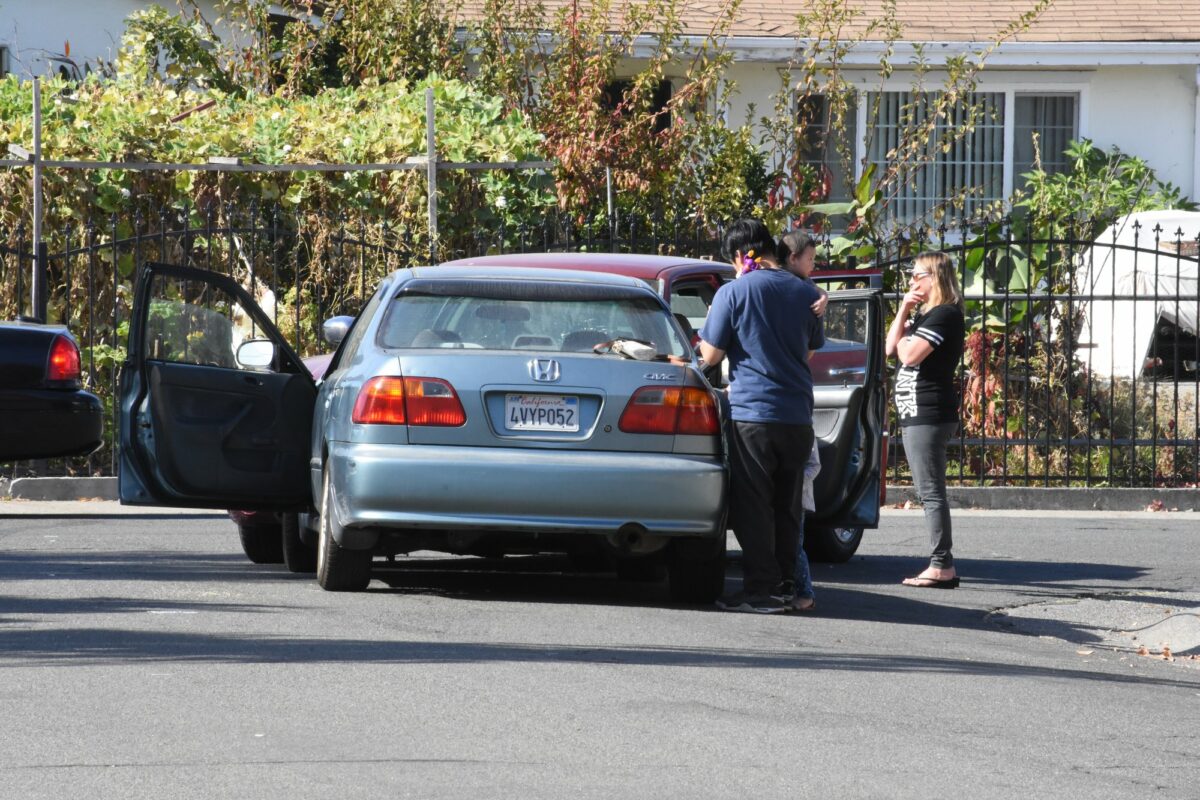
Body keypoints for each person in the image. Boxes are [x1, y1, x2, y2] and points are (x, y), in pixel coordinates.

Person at [699, 218, 825, 613]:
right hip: (798, 415)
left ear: (741, 256)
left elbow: (710, 356)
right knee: (787, 507)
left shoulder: (733, 292)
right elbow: (809, 350)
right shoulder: (806, 292)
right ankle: (786, 586)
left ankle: (761, 591)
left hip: (754, 413)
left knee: (754, 506)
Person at [885, 252, 966, 589]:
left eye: (916, 275)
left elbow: (908, 354)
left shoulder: (945, 315)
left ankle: (941, 565)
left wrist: (907, 336)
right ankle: (941, 564)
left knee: (931, 492)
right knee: (928, 490)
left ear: (934, 277)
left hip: (929, 414)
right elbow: (890, 347)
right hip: (916, 415)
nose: (911, 280)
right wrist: (904, 309)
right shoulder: (925, 315)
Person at [776, 229, 829, 319]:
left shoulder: (805, 280)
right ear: (793, 258)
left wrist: (823, 299)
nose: (813, 264)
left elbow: (818, 290)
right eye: (810, 259)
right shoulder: (776, 279)